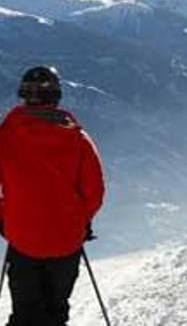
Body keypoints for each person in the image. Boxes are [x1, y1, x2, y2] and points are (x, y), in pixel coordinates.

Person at [0, 66, 105, 325]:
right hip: (66, 241)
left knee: (25, 312)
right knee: (56, 310)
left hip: (23, 239)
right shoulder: (78, 140)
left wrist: (5, 216)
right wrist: (79, 220)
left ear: (23, 96)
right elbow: (94, 191)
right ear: (56, 97)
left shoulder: (5, 137)